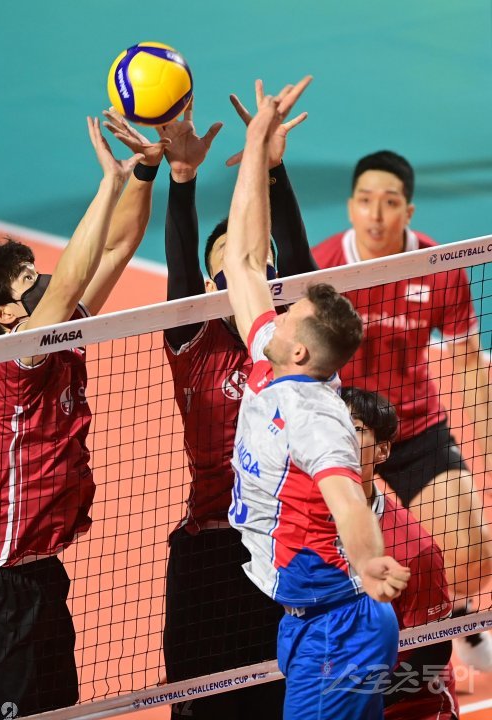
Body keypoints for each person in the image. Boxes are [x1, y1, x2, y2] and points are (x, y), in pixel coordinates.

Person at [0, 117, 165, 720]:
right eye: (28, 278)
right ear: (6, 313)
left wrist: (145, 170)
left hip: (41, 576)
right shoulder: (14, 360)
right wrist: (107, 184)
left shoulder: (58, 339)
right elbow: (65, 287)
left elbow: (115, 249)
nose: (45, 280)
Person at [105, 83, 317, 718]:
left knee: (279, 699)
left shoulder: (291, 343)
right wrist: (182, 178)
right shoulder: (192, 341)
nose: (243, 271)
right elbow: (179, 263)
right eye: (226, 262)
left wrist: (273, 171)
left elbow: (299, 264)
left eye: (255, 262)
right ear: (208, 282)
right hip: (209, 547)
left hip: (283, 542)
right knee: (199, 705)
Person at [222, 86, 410, 720]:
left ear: (299, 351)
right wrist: (256, 147)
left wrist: (370, 562)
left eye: (288, 315)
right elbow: (245, 262)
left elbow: (347, 499)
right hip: (312, 619)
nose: (276, 314)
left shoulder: (316, 418)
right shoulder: (271, 362)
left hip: (342, 628)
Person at [312, 150, 492, 669]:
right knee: (329, 565)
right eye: (365, 201)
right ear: (350, 206)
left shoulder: (438, 266)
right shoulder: (323, 267)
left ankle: (449, 611)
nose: (375, 214)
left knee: (474, 556)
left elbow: (468, 364)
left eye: (389, 203)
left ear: (408, 211)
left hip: (413, 425)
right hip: (340, 434)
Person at [342, 386, 459, 719]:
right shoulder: (296, 525)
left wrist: (369, 700)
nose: (340, 436)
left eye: (356, 428)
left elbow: (433, 652)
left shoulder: (415, 548)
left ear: (381, 451)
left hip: (410, 706)